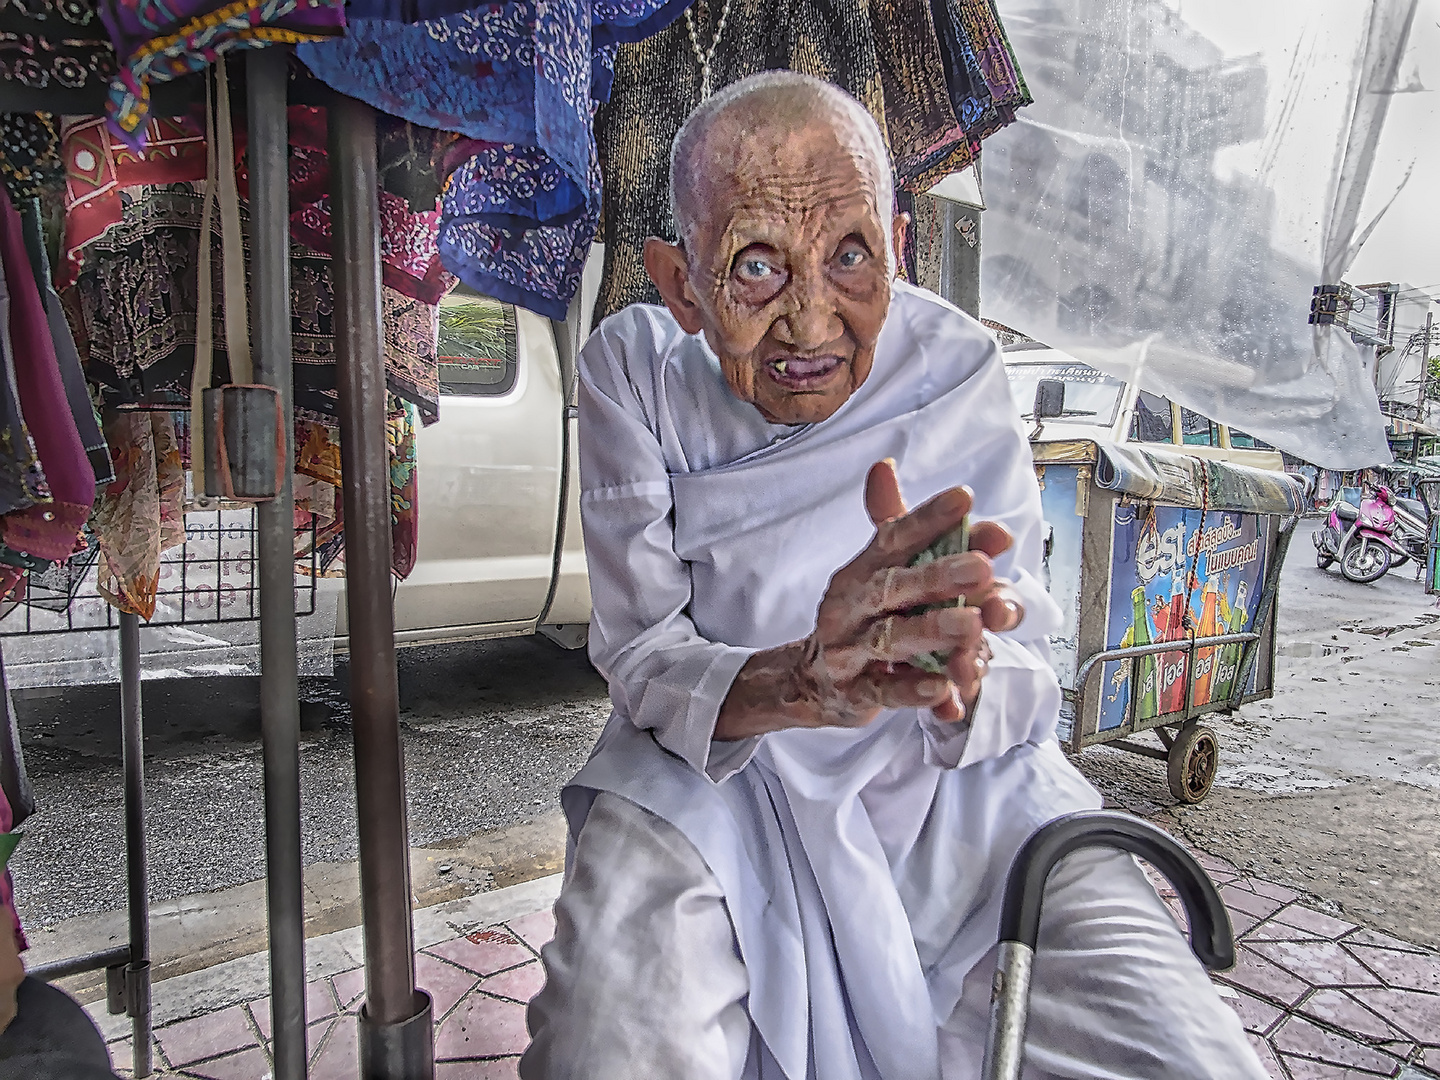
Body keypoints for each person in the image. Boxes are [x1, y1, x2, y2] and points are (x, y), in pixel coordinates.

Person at [521, 71, 1267, 1080]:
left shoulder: (955, 364)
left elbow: (1020, 663)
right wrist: (799, 681)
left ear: (899, 247)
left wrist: (956, 674)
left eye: (849, 256)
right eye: (755, 266)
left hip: (952, 788)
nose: (810, 323)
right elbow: (647, 658)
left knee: (1184, 1050)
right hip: (718, 775)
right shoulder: (635, 370)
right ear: (679, 282)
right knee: (606, 1042)